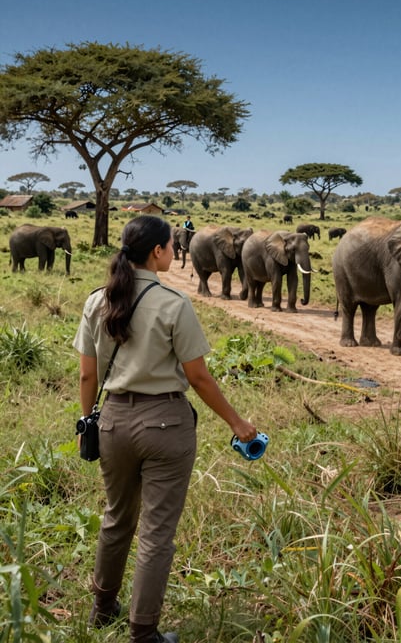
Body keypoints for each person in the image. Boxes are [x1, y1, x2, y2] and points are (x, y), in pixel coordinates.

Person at [74, 215, 258, 643]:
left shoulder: (96, 300)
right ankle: (144, 631)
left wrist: (88, 422)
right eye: (171, 246)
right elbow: (198, 377)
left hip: (113, 421)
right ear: (156, 251)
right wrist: (237, 422)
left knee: (116, 518)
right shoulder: (174, 304)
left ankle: (101, 609)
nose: (175, 252)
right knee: (157, 531)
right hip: (166, 424)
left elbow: (87, 376)